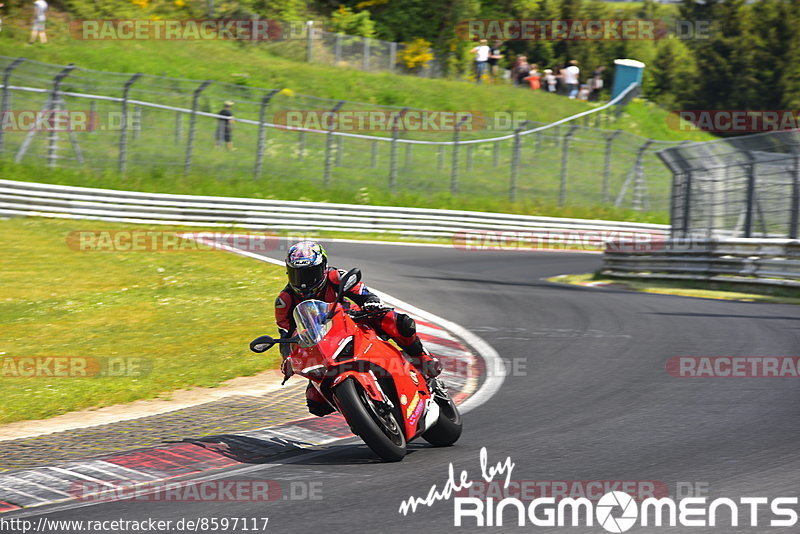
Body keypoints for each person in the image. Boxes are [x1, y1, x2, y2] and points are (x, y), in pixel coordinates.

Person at [275, 242, 443, 417]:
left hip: (352, 323)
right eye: (298, 275)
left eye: (309, 274)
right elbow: (285, 335)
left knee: (399, 322)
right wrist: (287, 358)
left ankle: (422, 358)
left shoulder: (336, 277)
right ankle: (357, 412)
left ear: (323, 267)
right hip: (323, 346)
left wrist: (371, 302)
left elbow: (365, 294)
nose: (304, 282)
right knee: (315, 404)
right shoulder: (284, 301)